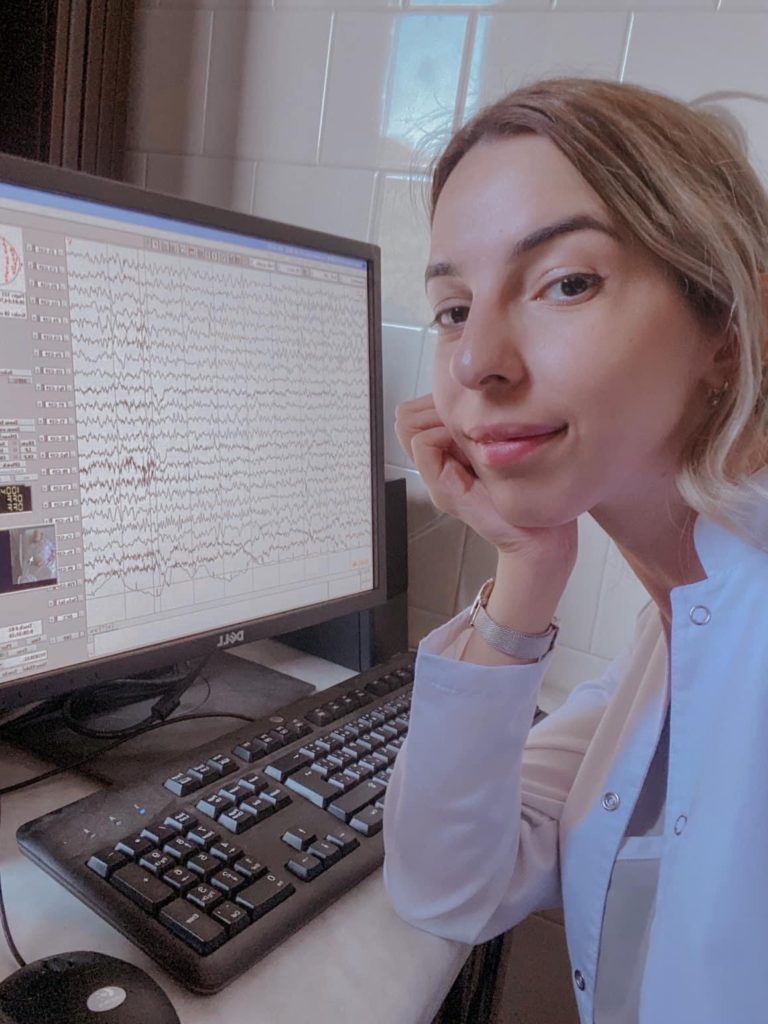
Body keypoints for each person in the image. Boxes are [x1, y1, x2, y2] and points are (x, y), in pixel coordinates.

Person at [381, 77, 768, 1024]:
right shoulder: (674, 627)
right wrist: (526, 570)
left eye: (566, 283)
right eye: (454, 309)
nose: (477, 362)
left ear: (727, 324)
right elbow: (449, 887)